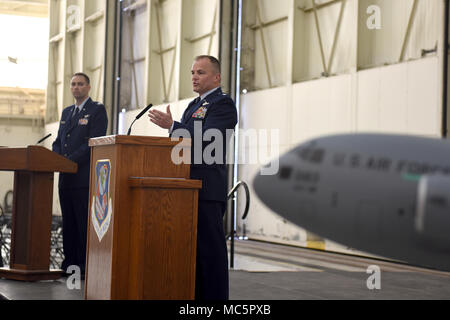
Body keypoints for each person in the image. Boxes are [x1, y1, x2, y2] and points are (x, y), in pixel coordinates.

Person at [148, 55, 238, 300]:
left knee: (210, 254)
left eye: (201, 72)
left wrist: (172, 126)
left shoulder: (223, 105)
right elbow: (182, 144)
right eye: (192, 72)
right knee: (192, 254)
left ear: (216, 77)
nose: (194, 77)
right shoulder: (192, 105)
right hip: (185, 187)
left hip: (207, 188)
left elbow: (210, 140)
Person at [52, 72, 108, 276]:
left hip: (83, 176)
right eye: (73, 84)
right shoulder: (67, 112)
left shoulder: (97, 110)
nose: (76, 88)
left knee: (82, 221)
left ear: (89, 87)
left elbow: (93, 142)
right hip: (65, 177)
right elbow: (58, 141)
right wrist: (57, 159)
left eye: (80, 84)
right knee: (68, 222)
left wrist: (69, 160)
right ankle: (70, 263)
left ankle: (84, 265)